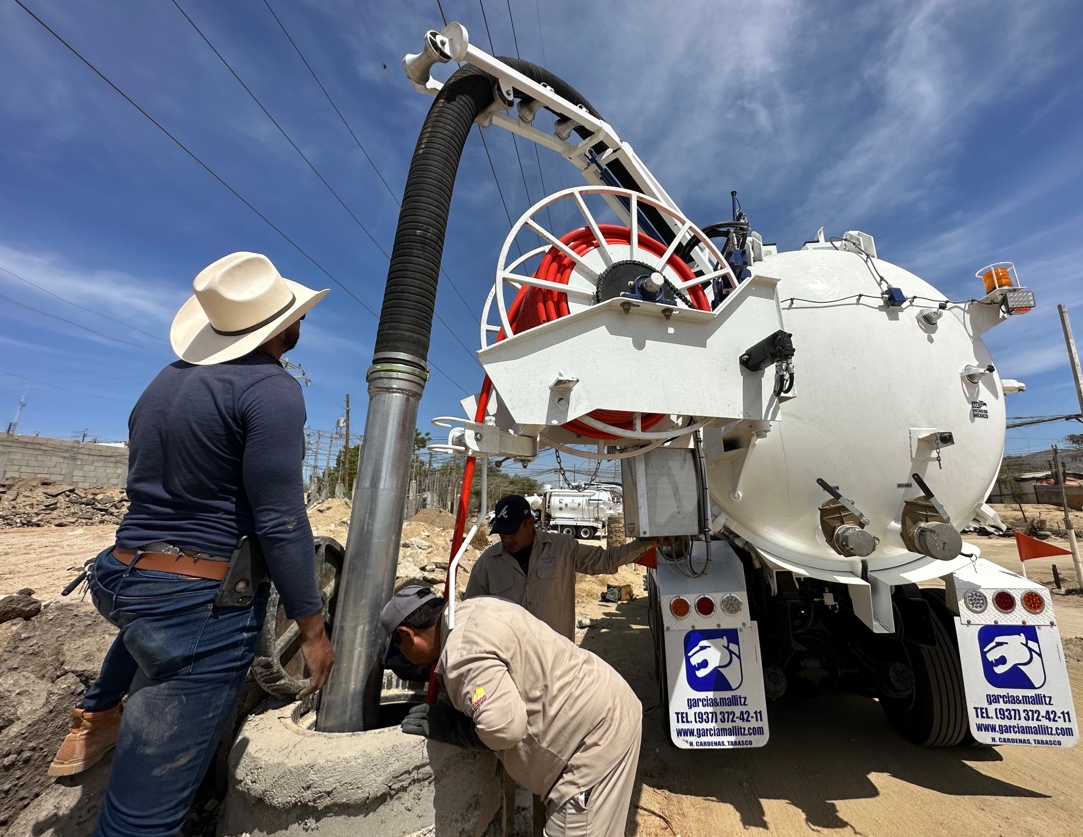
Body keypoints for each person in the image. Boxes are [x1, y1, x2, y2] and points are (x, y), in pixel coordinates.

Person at [47, 251, 335, 837]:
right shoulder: (271, 389)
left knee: (146, 628)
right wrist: (312, 628)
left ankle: (97, 713)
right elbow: (280, 520)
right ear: (284, 324)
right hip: (196, 602)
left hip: (120, 573)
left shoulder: (166, 381)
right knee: (140, 820)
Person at [382, 584, 642, 837]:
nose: (404, 661)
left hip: (591, 741)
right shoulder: (473, 608)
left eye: (400, 652)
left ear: (407, 634)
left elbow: (504, 729)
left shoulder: (460, 651)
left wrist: (455, 728)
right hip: (604, 706)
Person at [466, 494, 653, 639]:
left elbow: (606, 560)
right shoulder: (487, 563)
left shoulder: (562, 548)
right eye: (502, 532)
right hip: (511, 659)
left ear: (530, 523)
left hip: (557, 658)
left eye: (512, 531)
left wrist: (647, 543)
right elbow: (470, 614)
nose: (506, 538)